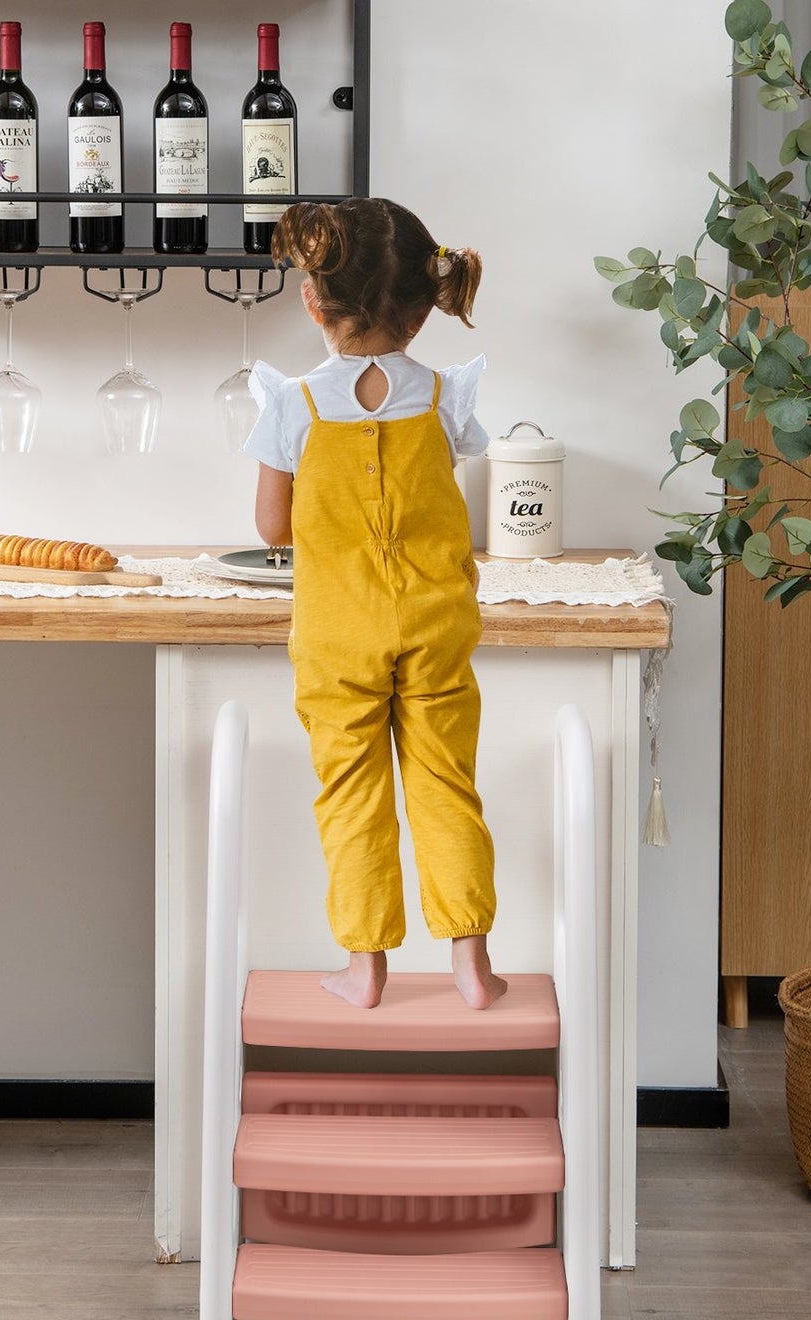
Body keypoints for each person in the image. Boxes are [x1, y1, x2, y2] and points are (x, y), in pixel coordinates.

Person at [245, 197, 505, 1011]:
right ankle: (470, 960)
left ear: (311, 299)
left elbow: (271, 525)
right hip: (435, 623)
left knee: (350, 790)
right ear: (426, 310)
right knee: (445, 781)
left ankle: (364, 967)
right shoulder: (442, 397)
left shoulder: (290, 401)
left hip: (334, 633)